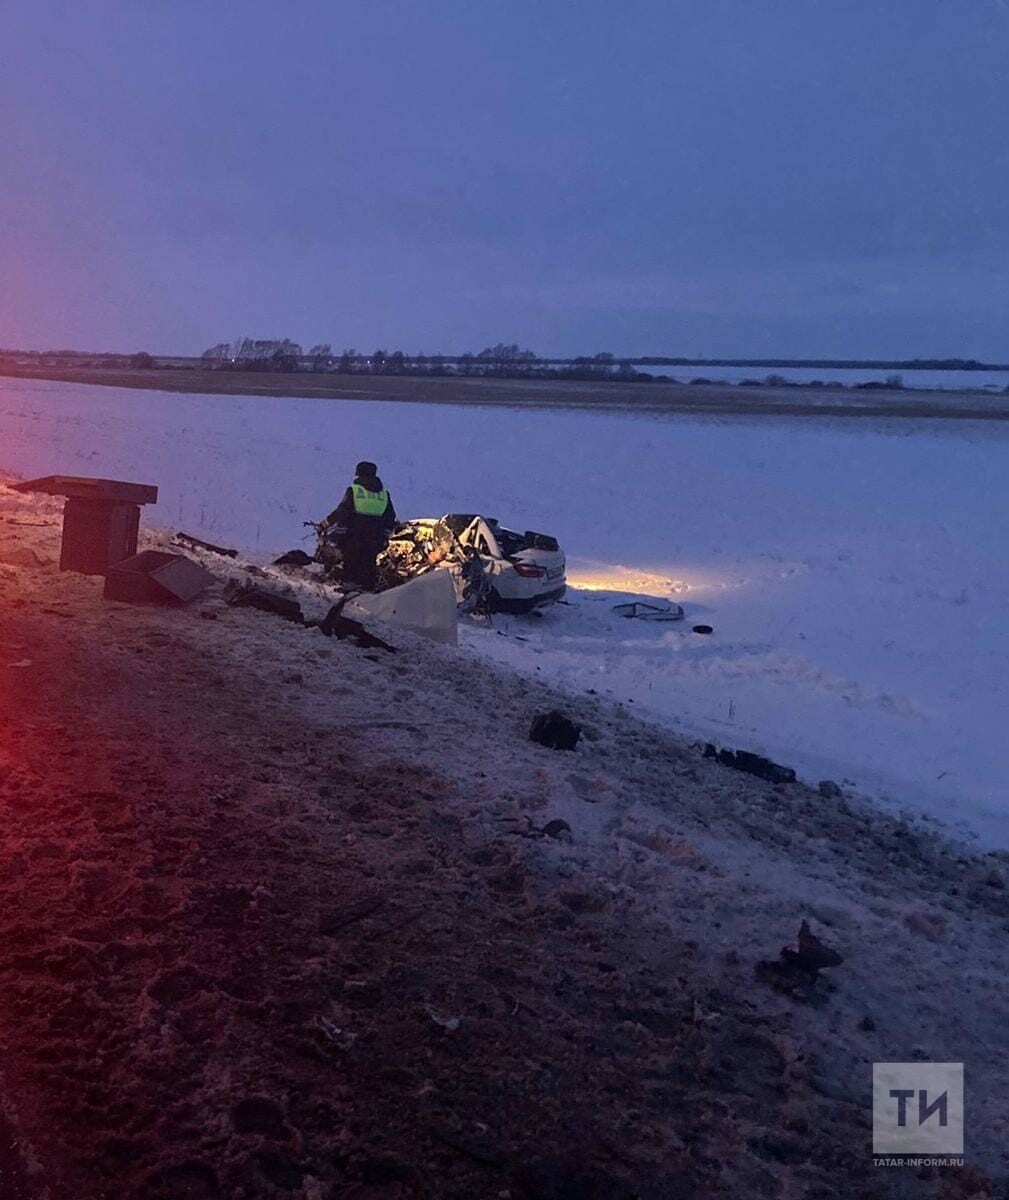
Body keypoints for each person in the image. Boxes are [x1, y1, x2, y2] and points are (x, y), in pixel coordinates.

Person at [319, 460, 397, 590]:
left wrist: (326, 524)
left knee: (351, 558)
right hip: (375, 534)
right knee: (368, 560)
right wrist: (385, 535)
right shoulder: (383, 494)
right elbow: (390, 516)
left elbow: (342, 511)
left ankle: (350, 587)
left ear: (358, 474)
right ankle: (367, 588)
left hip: (354, 532)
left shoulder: (354, 490)